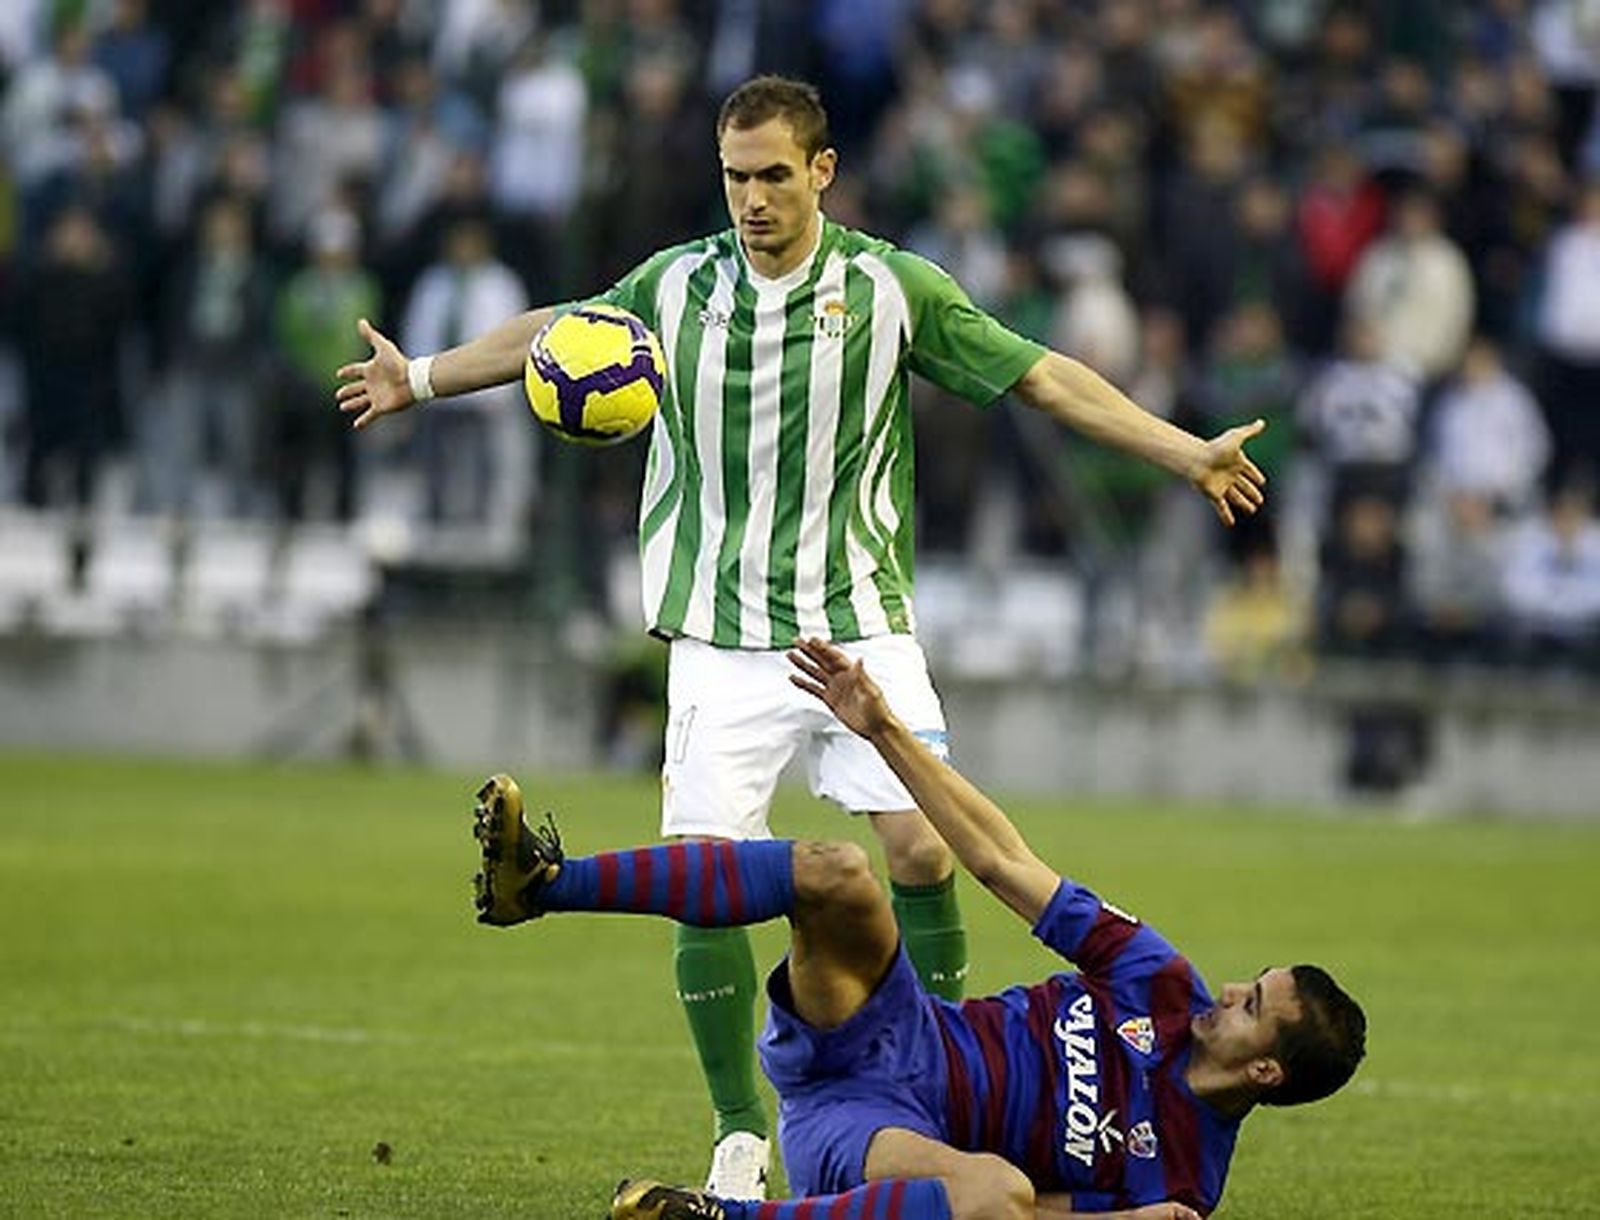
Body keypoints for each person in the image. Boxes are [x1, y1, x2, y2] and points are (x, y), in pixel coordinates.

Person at [334, 76, 1268, 1200]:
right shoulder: (673, 287)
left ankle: (929, 1067)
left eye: (774, 175)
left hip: (859, 619)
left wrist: (1183, 452)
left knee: (921, 849)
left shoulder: (889, 288)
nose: (752, 199)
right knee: (707, 879)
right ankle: (738, 1130)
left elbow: (1040, 374)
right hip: (720, 633)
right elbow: (559, 331)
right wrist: (423, 378)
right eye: (735, 177)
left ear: (821, 172)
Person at [470, 636, 1367, 1220]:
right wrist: (883, 729)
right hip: (892, 1023)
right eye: (1255, 980)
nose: (1232, 989)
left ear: (1265, 1070)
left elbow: (1026, 1215)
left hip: (876, 1133)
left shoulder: (1180, 1182)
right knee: (838, 873)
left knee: (994, 1191)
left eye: (1255, 1004)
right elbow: (1005, 863)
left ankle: (726, 1217)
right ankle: (542, 884)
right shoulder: (1162, 981)